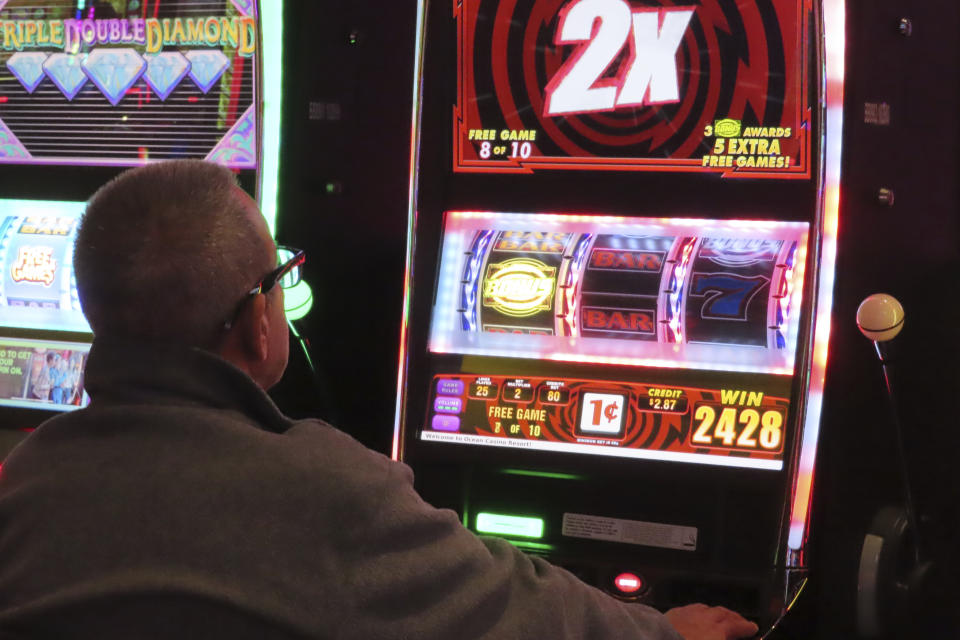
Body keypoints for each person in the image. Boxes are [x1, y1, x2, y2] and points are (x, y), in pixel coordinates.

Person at [0, 161, 759, 640]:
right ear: (253, 322)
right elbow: (518, 611)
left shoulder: (25, 480)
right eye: (278, 281)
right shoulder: (321, 491)